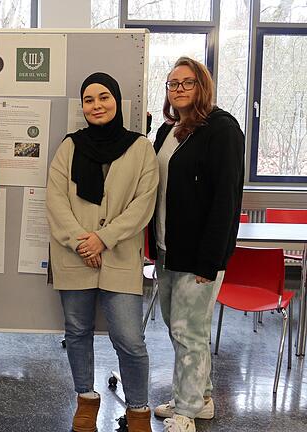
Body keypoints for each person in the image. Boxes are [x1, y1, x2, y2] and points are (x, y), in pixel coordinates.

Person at [46, 72, 158, 432]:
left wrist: (103, 239)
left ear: (117, 101)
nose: (96, 105)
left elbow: (143, 205)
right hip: (74, 255)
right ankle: (86, 401)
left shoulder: (141, 148)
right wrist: (82, 240)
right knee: (77, 332)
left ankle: (138, 411)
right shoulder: (69, 146)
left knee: (129, 338)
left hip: (120, 255)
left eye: (104, 97)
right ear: (82, 106)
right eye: (89, 99)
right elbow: (55, 199)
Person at [148, 57, 244, 432]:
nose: (179, 90)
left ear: (202, 86)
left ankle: (185, 411)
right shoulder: (168, 131)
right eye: (173, 84)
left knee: (188, 330)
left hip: (200, 256)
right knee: (182, 327)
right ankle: (200, 397)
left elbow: (226, 199)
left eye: (187, 83)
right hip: (167, 248)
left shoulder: (222, 129)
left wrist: (211, 261)